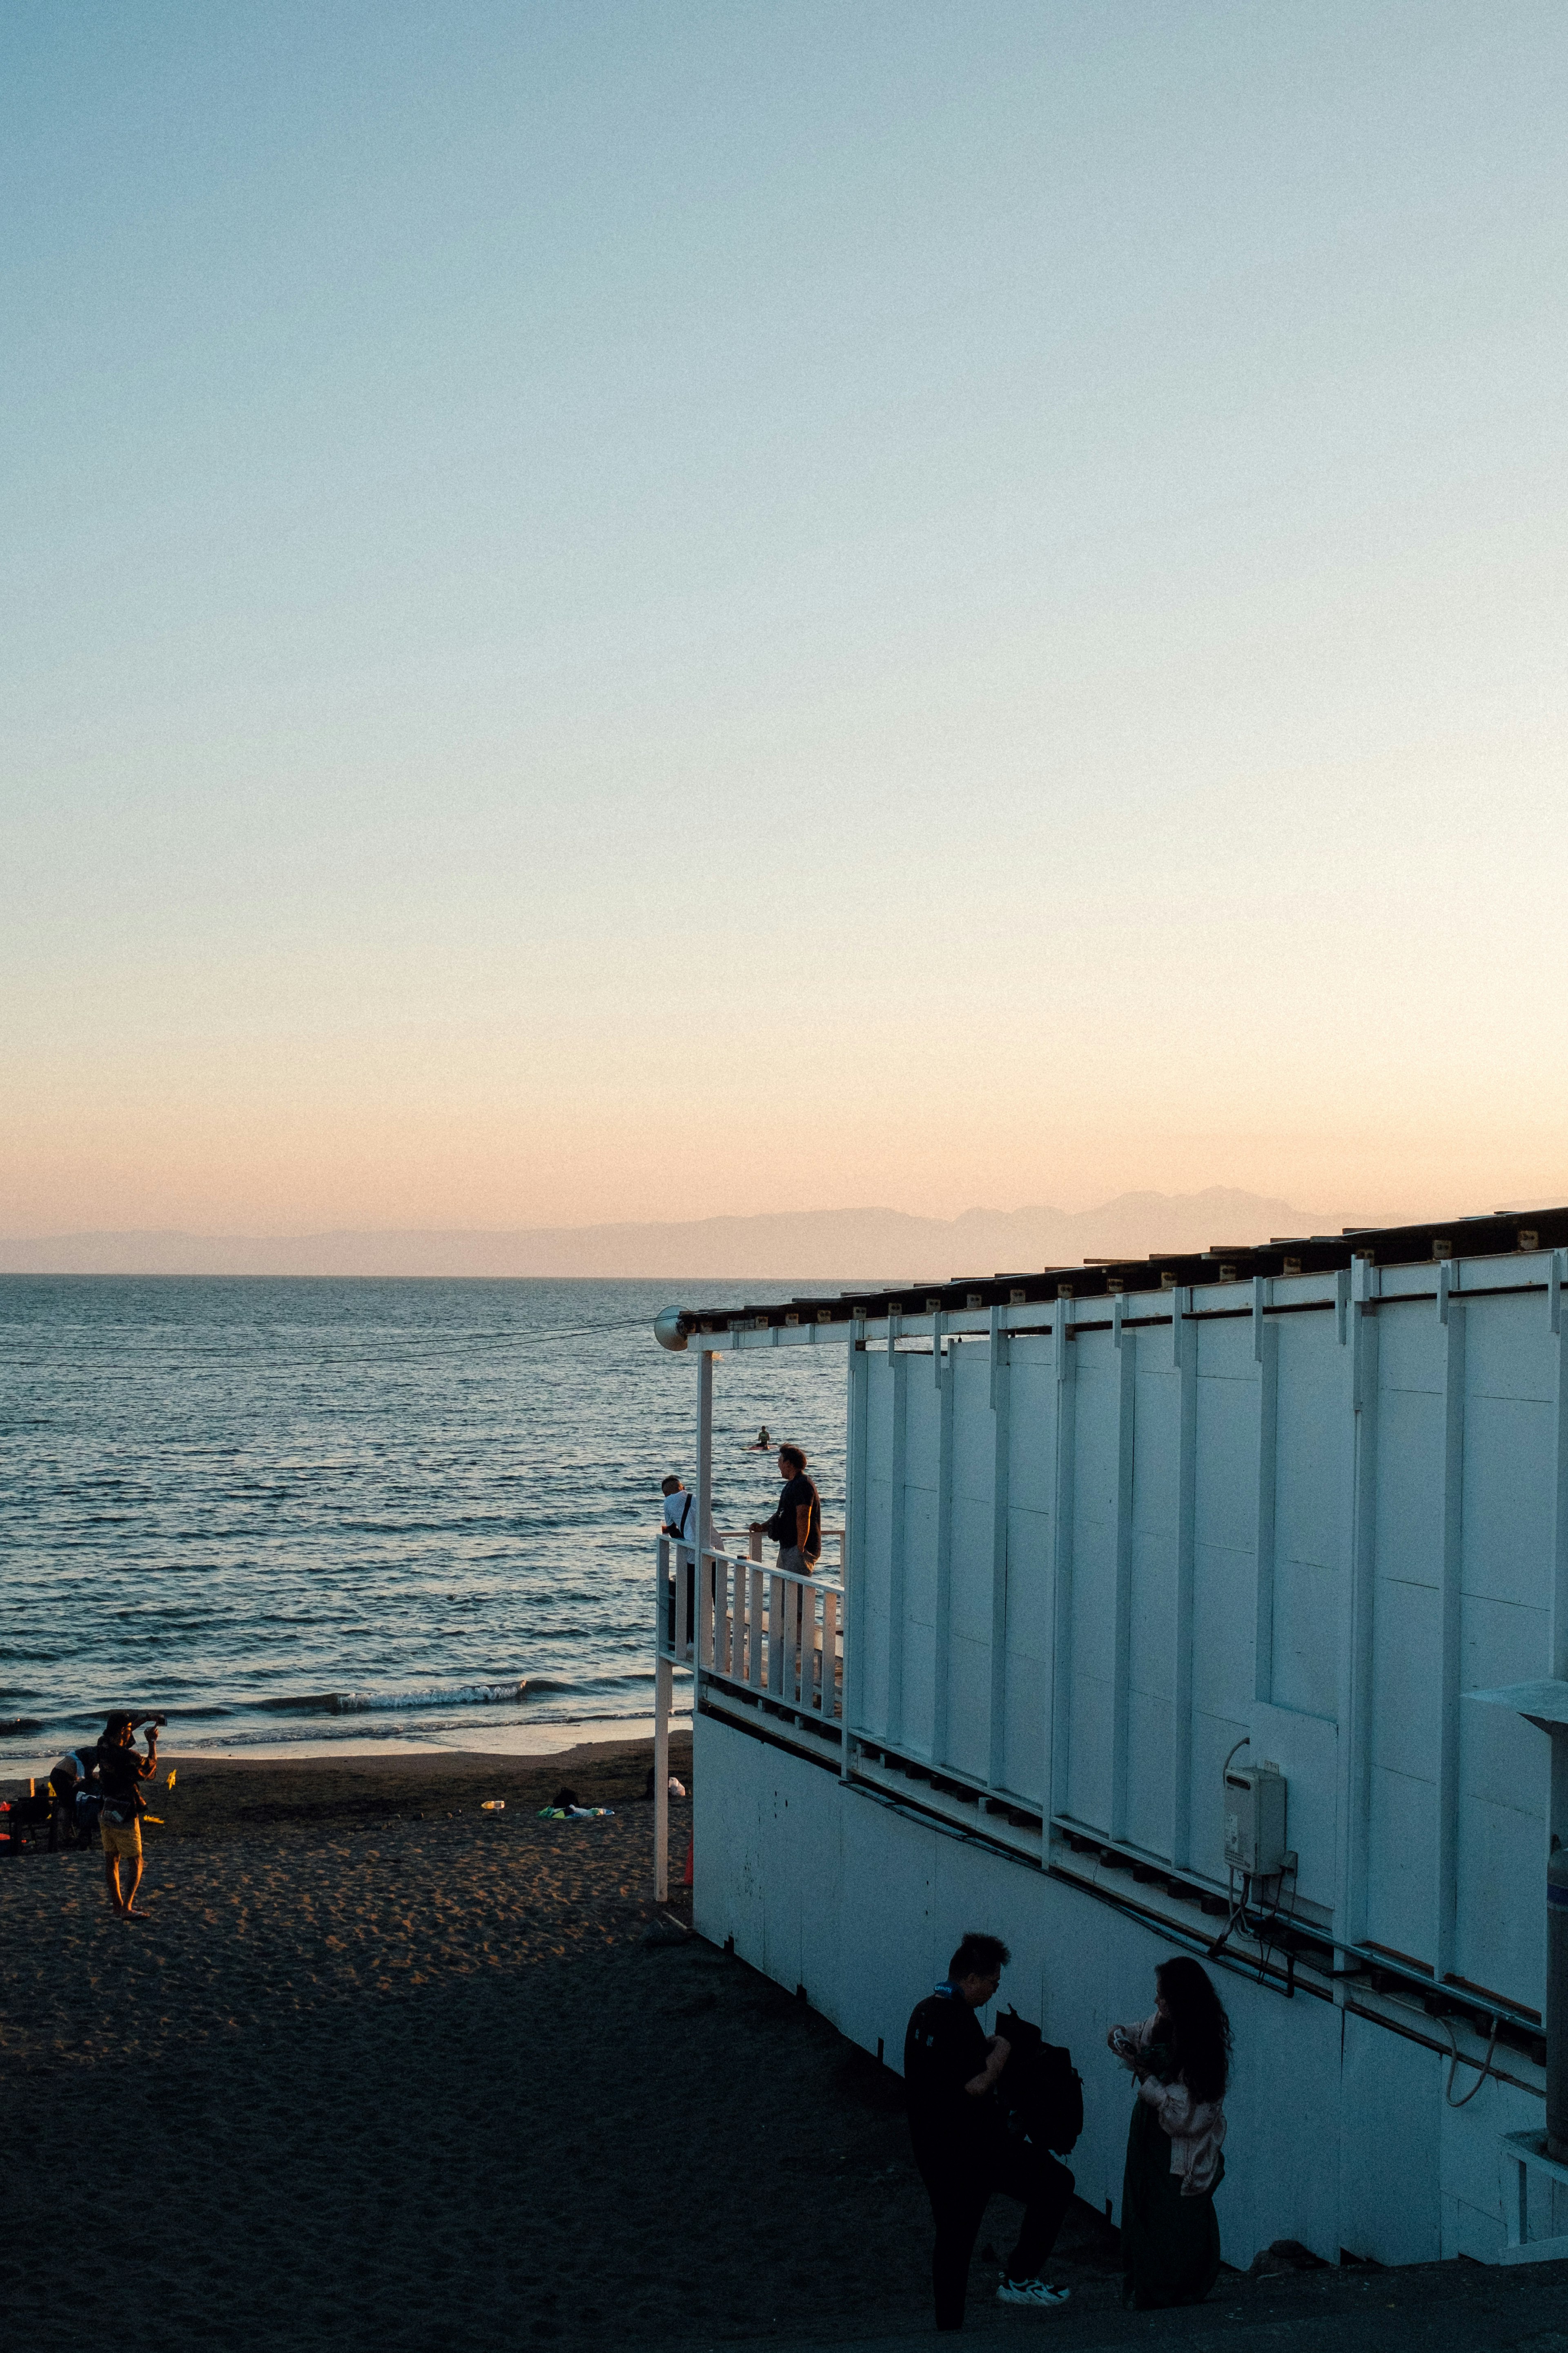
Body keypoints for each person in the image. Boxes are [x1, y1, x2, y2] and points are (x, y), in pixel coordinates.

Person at [904, 1932, 1074, 2328]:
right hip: (974, 2149)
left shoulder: (925, 2011)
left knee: (954, 2238)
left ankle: (950, 2323)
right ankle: (1020, 2276)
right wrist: (1000, 2052)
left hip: (934, 2150)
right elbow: (976, 2085)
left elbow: (942, 2071)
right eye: (994, 1984)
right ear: (974, 1978)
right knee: (1056, 2183)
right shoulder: (957, 2018)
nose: (994, 1993)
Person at [1108, 1957, 1231, 2310]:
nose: (1157, 2003)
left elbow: (1185, 2119)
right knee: (1142, 2210)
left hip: (1179, 2148)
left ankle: (1174, 2289)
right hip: (1149, 2137)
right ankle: (1146, 2289)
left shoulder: (1202, 2049)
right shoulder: (1162, 2025)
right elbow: (1128, 2032)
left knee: (1174, 2220)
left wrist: (1149, 2081)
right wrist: (1119, 2038)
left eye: (1164, 1997)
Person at [94, 1711, 161, 1918]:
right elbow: (150, 1770)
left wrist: (146, 1718)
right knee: (136, 1860)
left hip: (106, 1808)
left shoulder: (103, 1744)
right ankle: (127, 1907)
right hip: (125, 1810)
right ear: (123, 1731)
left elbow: (125, 1729)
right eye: (129, 1728)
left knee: (111, 1859)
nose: (131, 1730)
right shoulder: (127, 1757)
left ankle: (117, 1906)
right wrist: (151, 1743)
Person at [751, 1443, 821, 1574]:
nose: (778, 1465)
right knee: (784, 1590)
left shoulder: (803, 1484)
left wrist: (800, 1547)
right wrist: (763, 1527)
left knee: (796, 1591)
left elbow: (804, 1515)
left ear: (789, 1464)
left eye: (780, 1461)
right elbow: (780, 1514)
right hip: (788, 1547)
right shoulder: (791, 1485)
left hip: (797, 1549)